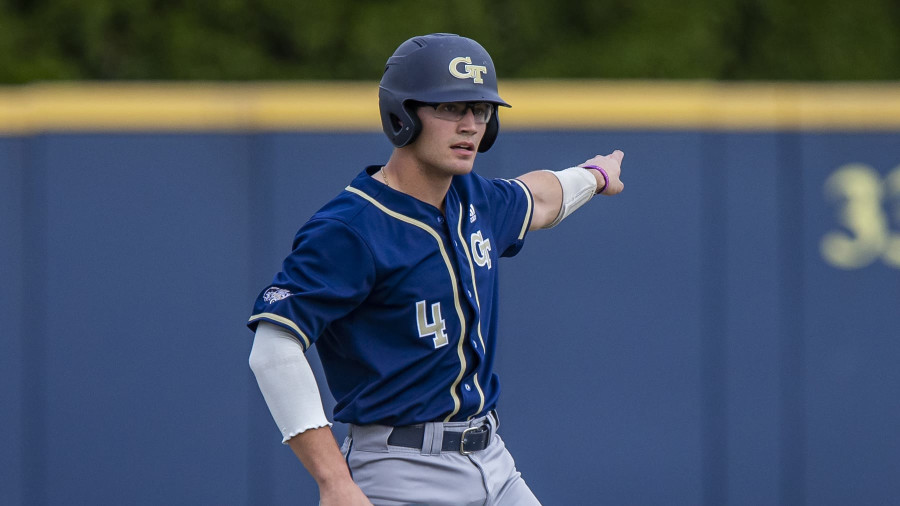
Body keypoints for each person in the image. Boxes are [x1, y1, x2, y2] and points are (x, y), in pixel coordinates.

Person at [247, 33, 624, 505]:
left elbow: (542, 197)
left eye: (480, 110)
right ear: (402, 115)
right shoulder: (351, 228)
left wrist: (594, 176)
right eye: (451, 108)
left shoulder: (475, 199)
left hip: (494, 463)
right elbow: (273, 348)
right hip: (400, 472)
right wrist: (334, 481)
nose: (470, 125)